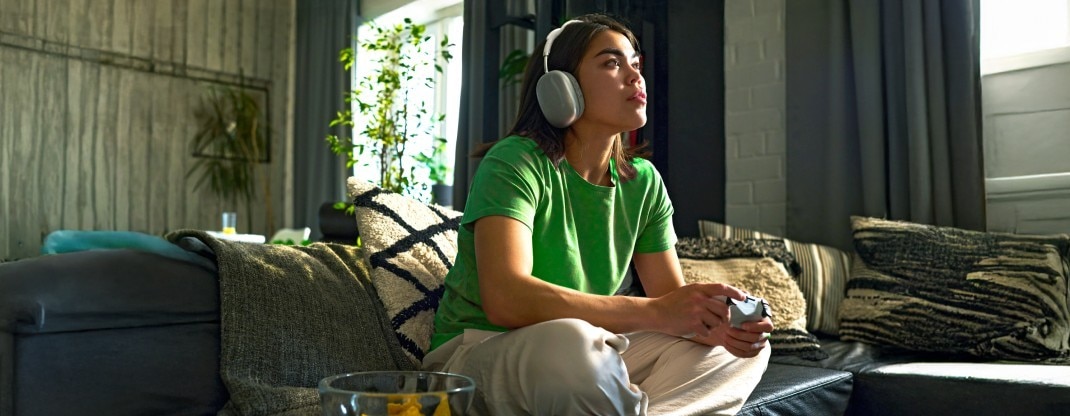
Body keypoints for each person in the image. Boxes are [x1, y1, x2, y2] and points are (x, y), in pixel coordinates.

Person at [422, 13, 772, 415]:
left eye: (636, 65)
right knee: (570, 343)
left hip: (589, 351)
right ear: (561, 86)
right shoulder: (515, 161)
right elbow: (507, 300)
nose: (635, 77)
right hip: (479, 351)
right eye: (612, 63)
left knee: (734, 355)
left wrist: (716, 325)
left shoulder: (643, 181)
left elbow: (669, 303)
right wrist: (659, 312)